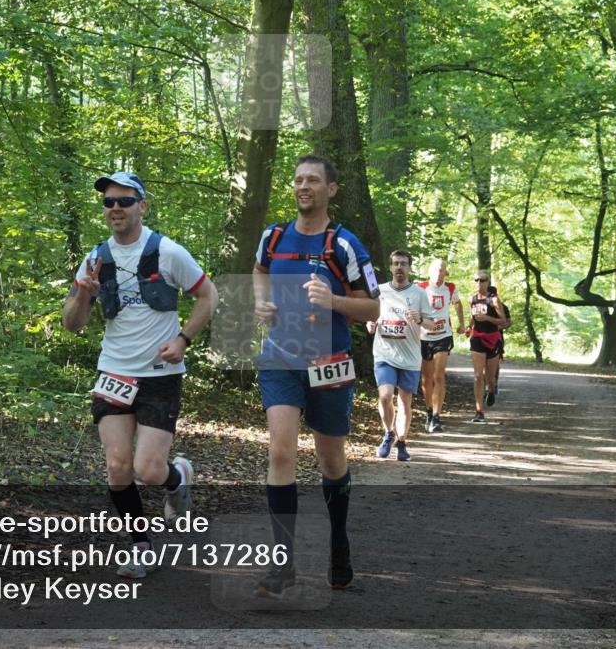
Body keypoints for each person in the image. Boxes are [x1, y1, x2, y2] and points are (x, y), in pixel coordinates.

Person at [63, 171, 218, 578]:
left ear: (142, 206)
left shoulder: (167, 252)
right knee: (117, 467)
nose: (115, 208)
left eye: (124, 201)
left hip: (159, 374)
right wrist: (84, 292)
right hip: (113, 371)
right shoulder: (95, 258)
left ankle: (177, 476)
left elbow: (208, 295)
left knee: (148, 470)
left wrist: (184, 339)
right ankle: (142, 547)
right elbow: (72, 324)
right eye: (109, 202)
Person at [252, 155, 380, 597]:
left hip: (330, 362)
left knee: (331, 460)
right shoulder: (273, 237)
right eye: (298, 180)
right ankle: (282, 564)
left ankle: (338, 541)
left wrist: (334, 301)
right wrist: (262, 303)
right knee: (282, 453)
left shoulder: (344, 245)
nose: (303, 186)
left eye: (312, 180)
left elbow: (374, 307)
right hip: (280, 358)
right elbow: (260, 271)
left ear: (331, 189)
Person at [367, 250, 432, 461]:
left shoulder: (419, 294)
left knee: (405, 401)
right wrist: (370, 323)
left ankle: (402, 442)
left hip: (411, 356)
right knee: (385, 396)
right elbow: (370, 315)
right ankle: (388, 433)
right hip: (384, 354)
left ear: (410, 267)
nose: (399, 268)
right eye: (395, 263)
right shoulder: (381, 291)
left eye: (403, 264)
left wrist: (420, 319)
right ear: (390, 267)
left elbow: (433, 324)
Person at [418, 259, 464, 433]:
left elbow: (458, 303)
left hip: (443, 336)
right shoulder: (420, 287)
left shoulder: (450, 288)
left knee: (439, 375)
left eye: (442, 270)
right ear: (430, 271)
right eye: (436, 270)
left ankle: (437, 416)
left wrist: (461, 324)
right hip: (424, 337)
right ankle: (429, 411)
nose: (439, 273)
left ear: (446, 273)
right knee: (426, 379)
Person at [466, 270, 506, 423]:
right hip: (477, 339)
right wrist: (468, 328)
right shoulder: (471, 299)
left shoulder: (494, 300)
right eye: (476, 280)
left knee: (490, 377)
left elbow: (503, 321)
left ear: (488, 282)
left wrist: (487, 318)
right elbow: (472, 317)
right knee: (477, 376)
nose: (479, 283)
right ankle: (479, 411)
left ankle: (491, 390)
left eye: (482, 280)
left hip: (492, 339)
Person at [488, 285, 512, 394]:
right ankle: (486, 385)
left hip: (497, 337)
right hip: (482, 337)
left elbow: (508, 322)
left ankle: (494, 384)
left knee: (496, 363)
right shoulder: (480, 305)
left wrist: (498, 327)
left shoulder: (502, 307)